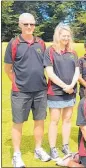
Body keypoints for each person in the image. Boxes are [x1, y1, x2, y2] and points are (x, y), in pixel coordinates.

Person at [4, 13, 51, 167]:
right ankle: (17, 154)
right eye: (26, 24)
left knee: (39, 121)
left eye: (32, 24)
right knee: (18, 122)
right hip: (21, 92)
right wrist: (17, 84)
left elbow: (47, 66)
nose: (29, 27)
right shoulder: (13, 44)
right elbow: (8, 69)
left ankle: (38, 149)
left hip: (40, 91)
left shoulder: (41, 43)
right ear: (20, 25)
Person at [44, 23, 80, 160]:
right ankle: (53, 148)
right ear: (57, 36)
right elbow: (50, 73)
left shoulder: (73, 52)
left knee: (67, 120)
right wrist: (64, 86)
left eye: (67, 36)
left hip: (70, 91)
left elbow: (77, 71)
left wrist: (71, 85)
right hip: (55, 92)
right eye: (63, 35)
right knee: (54, 121)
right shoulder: (50, 51)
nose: (66, 38)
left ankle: (65, 146)